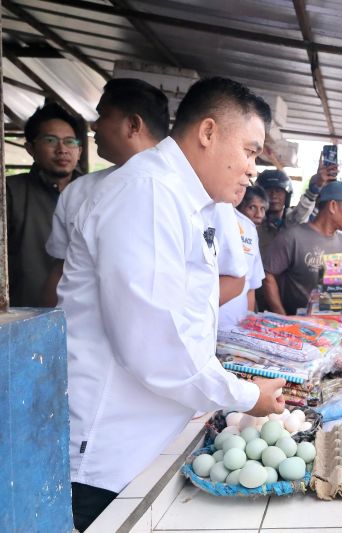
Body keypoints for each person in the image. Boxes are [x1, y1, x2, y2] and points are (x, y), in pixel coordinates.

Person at [59, 77, 285, 531]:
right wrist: (245, 395)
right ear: (208, 132)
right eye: (249, 151)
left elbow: (184, 318)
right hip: (112, 451)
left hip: (149, 438)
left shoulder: (188, 202)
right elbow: (153, 343)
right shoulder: (146, 194)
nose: (251, 170)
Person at [41, 78, 169, 306]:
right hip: (80, 328)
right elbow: (60, 271)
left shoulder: (191, 190)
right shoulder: (78, 192)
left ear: (133, 125)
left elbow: (223, 277)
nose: (94, 126)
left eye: (103, 115)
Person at [6, 102, 84, 307]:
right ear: (31, 148)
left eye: (70, 142)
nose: (62, 150)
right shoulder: (9, 192)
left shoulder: (95, 193)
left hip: (80, 316)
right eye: (51, 140)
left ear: (79, 151)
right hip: (24, 314)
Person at [263, 181, 342, 315]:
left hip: (333, 322)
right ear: (333, 206)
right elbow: (267, 274)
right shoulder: (292, 237)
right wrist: (281, 315)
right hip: (297, 323)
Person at [218, 186, 266, 329]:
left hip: (237, 327)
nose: (258, 214)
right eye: (252, 207)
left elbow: (251, 284)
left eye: (262, 209)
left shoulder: (249, 228)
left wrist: (247, 323)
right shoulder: (209, 214)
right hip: (204, 328)